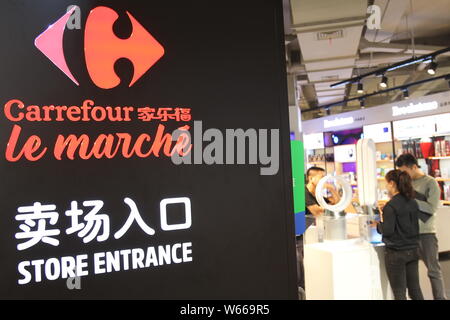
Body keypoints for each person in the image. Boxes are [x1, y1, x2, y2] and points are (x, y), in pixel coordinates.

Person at [396, 153, 447, 300]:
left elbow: (432, 208)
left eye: (405, 171)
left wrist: (410, 200)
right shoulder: (406, 184)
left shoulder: (430, 183)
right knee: (411, 273)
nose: (403, 175)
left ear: (413, 167)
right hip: (408, 234)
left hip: (426, 234)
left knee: (433, 271)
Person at [375, 170, 424, 300]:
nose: (386, 187)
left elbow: (388, 230)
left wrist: (378, 225)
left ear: (392, 183)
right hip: (413, 250)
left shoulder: (390, 206)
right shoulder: (412, 202)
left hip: (396, 254)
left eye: (386, 183)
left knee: (399, 292)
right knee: (415, 290)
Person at [296, 166, 340, 295]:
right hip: (300, 237)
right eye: (321, 177)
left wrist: (332, 189)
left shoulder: (318, 195)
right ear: (311, 178)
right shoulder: (302, 192)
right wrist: (329, 207)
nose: (324, 181)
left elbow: (336, 204)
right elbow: (317, 212)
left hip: (314, 237)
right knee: (302, 268)